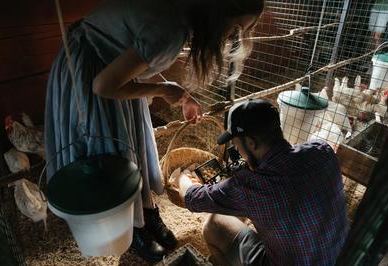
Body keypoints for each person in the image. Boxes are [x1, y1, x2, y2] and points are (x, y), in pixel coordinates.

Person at [45, 0, 264, 262]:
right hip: (92, 70)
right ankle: (132, 227)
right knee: (115, 153)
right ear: (219, 11)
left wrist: (178, 93)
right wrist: (164, 90)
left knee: (133, 142)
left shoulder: (180, 15)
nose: (233, 37)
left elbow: (138, 55)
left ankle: (145, 212)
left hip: (112, 67)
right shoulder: (171, 27)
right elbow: (103, 86)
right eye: (236, 27)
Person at [176, 99, 349, 265]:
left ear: (251, 142)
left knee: (214, 225)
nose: (238, 151)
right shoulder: (323, 151)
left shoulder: (251, 187)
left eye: (237, 145)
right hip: (342, 257)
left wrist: (182, 177)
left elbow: (191, 197)